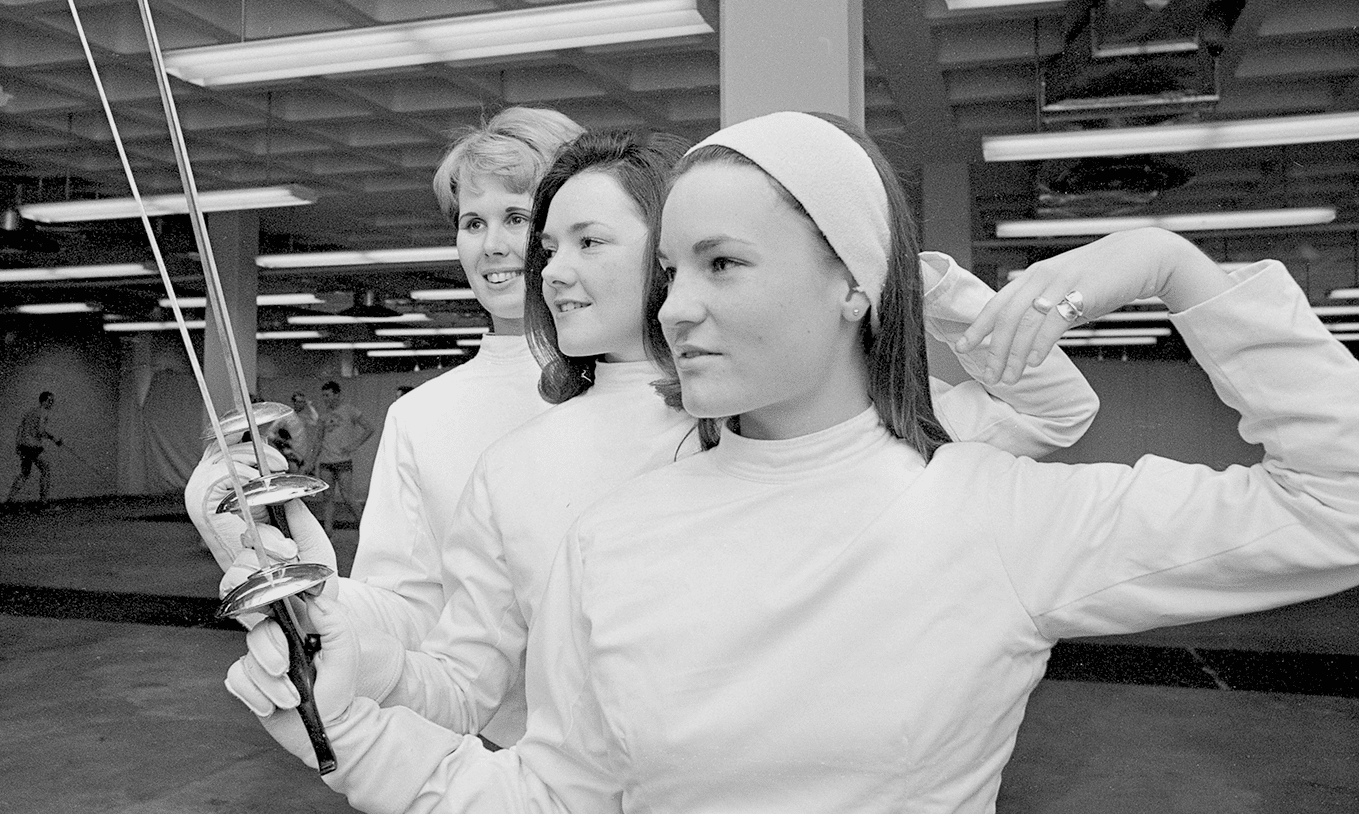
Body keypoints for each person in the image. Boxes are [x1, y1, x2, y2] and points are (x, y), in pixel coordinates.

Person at [220, 112, 1359, 813]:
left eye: (723, 264)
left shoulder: (988, 513)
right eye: (671, 272)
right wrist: (349, 724)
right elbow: (548, 797)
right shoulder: (611, 534)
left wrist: (1174, 265)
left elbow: (1340, 505)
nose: (677, 308)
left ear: (851, 280)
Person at [219, 128, 1100, 750]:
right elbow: (451, 658)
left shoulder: (773, 408)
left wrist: (912, 276)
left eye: (574, 235)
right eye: (533, 241)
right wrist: (320, 611)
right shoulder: (496, 450)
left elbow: (1052, 414)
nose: (542, 265)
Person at [184, 107, 586, 719]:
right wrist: (313, 591)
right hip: (496, 756)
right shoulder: (422, 415)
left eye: (518, 217)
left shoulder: (655, 385)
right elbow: (412, 609)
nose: (493, 245)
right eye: (473, 221)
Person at [305, 380, 375, 533]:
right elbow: (318, 441)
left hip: (343, 460)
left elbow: (369, 428)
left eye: (328, 395)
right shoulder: (323, 417)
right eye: (323, 395)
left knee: (347, 496)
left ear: (337, 395)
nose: (325, 398)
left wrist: (355, 444)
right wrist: (311, 461)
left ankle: (366, 529)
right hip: (326, 461)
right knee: (327, 497)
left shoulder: (349, 410)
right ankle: (328, 531)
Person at [6, 391, 61, 504]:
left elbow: (20, 429)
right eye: (50, 401)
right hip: (33, 446)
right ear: (44, 401)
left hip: (23, 446)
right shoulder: (43, 413)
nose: (51, 404)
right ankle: (43, 503)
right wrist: (54, 439)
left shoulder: (29, 412)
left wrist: (18, 446)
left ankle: (9, 501)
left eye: (52, 401)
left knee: (25, 473)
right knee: (46, 470)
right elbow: (40, 431)